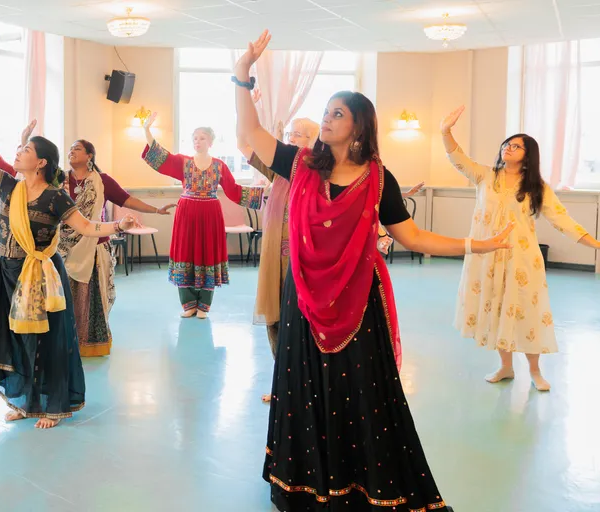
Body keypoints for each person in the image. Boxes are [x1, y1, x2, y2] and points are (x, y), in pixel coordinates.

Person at [235, 31, 512, 511]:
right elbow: (250, 135)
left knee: (359, 394)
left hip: (358, 304)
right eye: (326, 111)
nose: (326, 117)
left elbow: (414, 238)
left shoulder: (380, 179)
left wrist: (479, 245)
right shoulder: (300, 164)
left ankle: (360, 485)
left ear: (360, 127)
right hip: (303, 301)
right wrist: (242, 74)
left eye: (337, 113)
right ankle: (302, 483)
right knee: (305, 388)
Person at [0, 95, 139, 429]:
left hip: (42, 274)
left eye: (26, 150)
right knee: (14, 336)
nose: (19, 153)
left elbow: (86, 227)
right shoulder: (8, 188)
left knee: (44, 339)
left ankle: (51, 405)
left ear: (41, 162)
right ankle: (23, 400)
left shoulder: (55, 196)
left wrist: (119, 226)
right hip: (9, 272)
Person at [239, 116, 421, 403]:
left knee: (315, 324)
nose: (292, 138)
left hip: (313, 265)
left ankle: (315, 389)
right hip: (278, 260)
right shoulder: (283, 168)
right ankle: (286, 382)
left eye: (299, 134)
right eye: (290, 133)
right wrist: (246, 90)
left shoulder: (317, 172)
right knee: (280, 322)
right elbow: (246, 140)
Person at [441, 105, 600, 392]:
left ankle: (536, 371)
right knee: (499, 309)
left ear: (528, 156)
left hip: (522, 259)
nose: (509, 148)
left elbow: (562, 219)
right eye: (508, 144)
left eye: (517, 146)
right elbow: (458, 159)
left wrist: (595, 243)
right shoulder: (485, 176)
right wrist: (445, 131)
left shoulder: (537, 186)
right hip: (488, 256)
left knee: (526, 310)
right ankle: (505, 367)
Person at [140, 113, 265, 319]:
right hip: (187, 212)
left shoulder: (219, 165)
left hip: (210, 213)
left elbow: (233, 190)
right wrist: (147, 131)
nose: (198, 141)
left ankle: (204, 305)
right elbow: (162, 158)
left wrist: (261, 193)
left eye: (202, 138)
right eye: (195, 138)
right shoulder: (183, 162)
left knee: (208, 253)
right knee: (185, 252)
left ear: (211, 142)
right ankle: (188, 304)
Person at [59, 139, 176, 357]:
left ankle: (89, 343)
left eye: (77, 149)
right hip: (66, 248)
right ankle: (65, 341)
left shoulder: (102, 181)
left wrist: (156, 210)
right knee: (65, 296)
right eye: (70, 150)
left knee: (93, 296)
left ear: (90, 156)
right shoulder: (60, 180)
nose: (71, 152)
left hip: (95, 247)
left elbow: (127, 200)